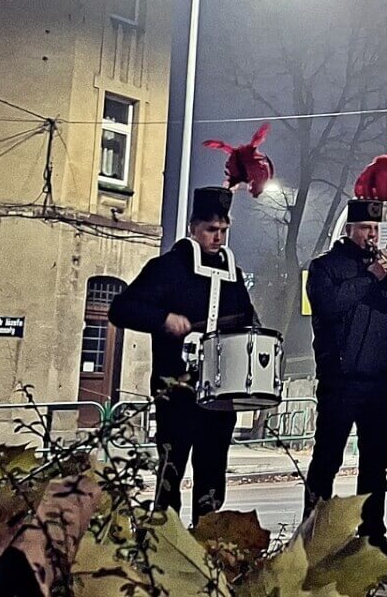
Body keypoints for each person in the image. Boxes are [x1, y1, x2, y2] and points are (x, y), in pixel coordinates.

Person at [108, 125, 269, 521]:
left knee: (212, 476)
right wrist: (164, 318)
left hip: (220, 397)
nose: (218, 238)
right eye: (211, 230)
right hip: (176, 392)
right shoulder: (166, 269)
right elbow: (121, 309)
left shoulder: (233, 273)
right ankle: (163, 541)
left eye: (224, 230)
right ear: (193, 229)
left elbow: (248, 321)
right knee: (170, 471)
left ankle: (209, 543)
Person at [305, 154, 387, 569]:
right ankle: (311, 543)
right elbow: (329, 305)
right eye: (365, 227)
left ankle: (371, 540)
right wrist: (370, 276)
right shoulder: (324, 268)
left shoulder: (383, 271)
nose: (371, 234)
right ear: (349, 229)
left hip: (380, 384)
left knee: (375, 466)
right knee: (327, 462)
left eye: (375, 228)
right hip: (340, 381)